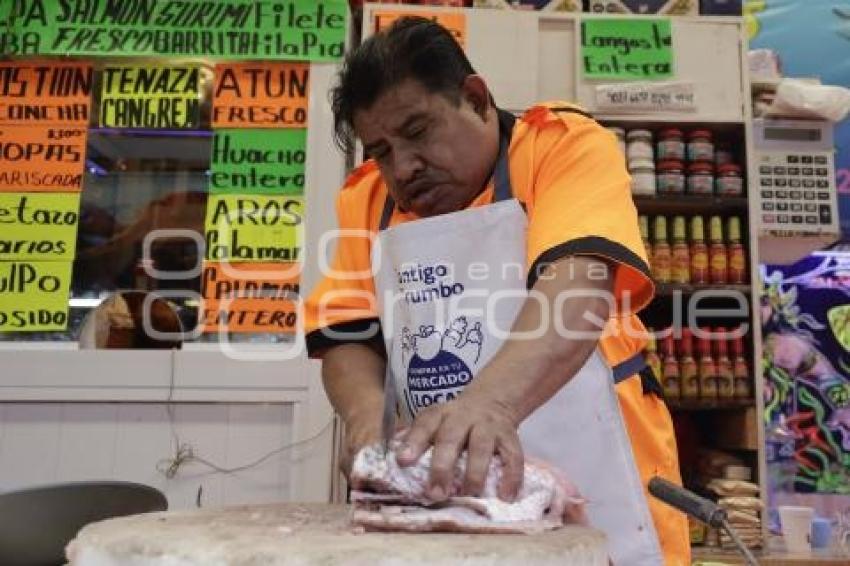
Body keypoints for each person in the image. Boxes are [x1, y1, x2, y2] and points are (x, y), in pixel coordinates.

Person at [304, 17, 689, 565]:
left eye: (417, 132)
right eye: (382, 151)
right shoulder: (366, 200)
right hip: (450, 494)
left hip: (601, 477)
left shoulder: (561, 147)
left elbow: (577, 287)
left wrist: (490, 404)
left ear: (476, 98)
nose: (404, 166)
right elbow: (347, 334)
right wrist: (369, 419)